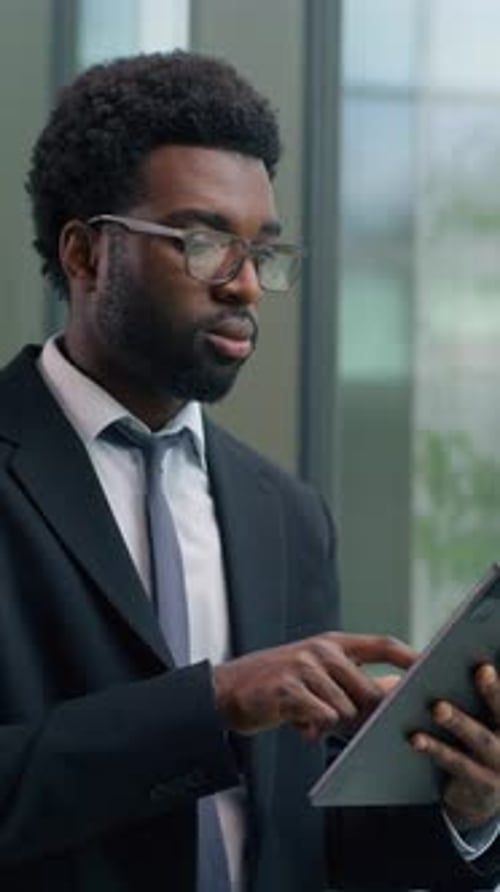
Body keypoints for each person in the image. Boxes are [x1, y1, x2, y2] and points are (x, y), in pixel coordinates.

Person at [0, 49, 496, 892]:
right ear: (85, 256)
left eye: (262, 251)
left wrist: (465, 809)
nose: (246, 288)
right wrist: (215, 702)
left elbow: (308, 842)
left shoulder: (288, 514)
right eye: (201, 243)